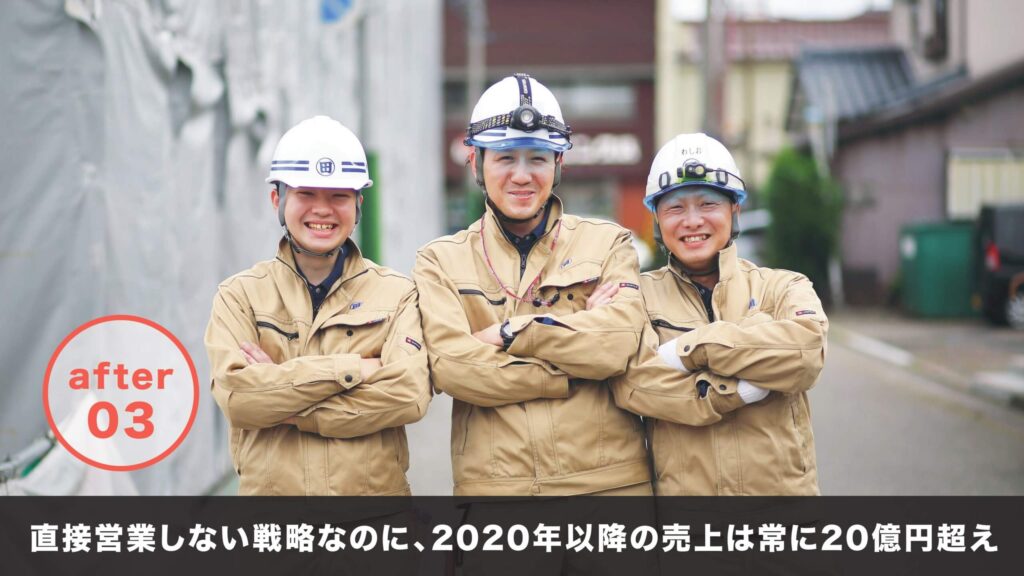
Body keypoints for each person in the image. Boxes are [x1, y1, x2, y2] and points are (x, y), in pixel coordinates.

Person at [413, 74, 651, 497]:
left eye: (538, 158)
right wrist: (570, 363)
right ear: (475, 162)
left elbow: (616, 345)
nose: (522, 176)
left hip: (609, 489)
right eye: (505, 157)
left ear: (559, 164)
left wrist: (508, 333)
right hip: (497, 494)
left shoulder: (609, 243)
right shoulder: (440, 261)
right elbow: (453, 367)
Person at [205, 115, 430, 495]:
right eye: (306, 194)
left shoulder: (397, 294)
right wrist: (354, 368)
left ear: (358, 204)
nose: (322, 210)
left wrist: (285, 401)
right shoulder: (239, 296)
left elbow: (408, 395)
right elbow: (241, 400)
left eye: (339, 196)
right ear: (277, 200)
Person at [612, 133, 828, 495]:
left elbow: (806, 353)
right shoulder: (638, 297)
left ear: (734, 210)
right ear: (657, 220)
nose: (692, 221)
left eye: (708, 203)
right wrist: (740, 386)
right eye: (675, 208)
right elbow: (633, 385)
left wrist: (689, 349)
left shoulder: (782, 286)